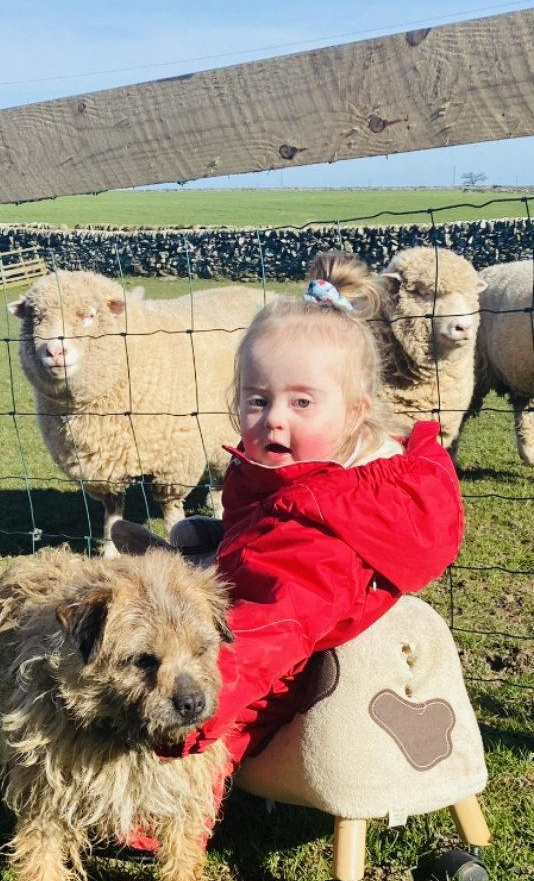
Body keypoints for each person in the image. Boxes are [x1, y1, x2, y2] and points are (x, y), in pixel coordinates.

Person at [113, 252, 464, 842]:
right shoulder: (303, 479)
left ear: (355, 415)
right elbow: (261, 536)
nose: (274, 419)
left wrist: (194, 718)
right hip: (257, 618)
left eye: (302, 403)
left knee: (194, 754)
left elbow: (268, 632)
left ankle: (157, 826)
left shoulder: (322, 534)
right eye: (258, 399)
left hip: (262, 680)